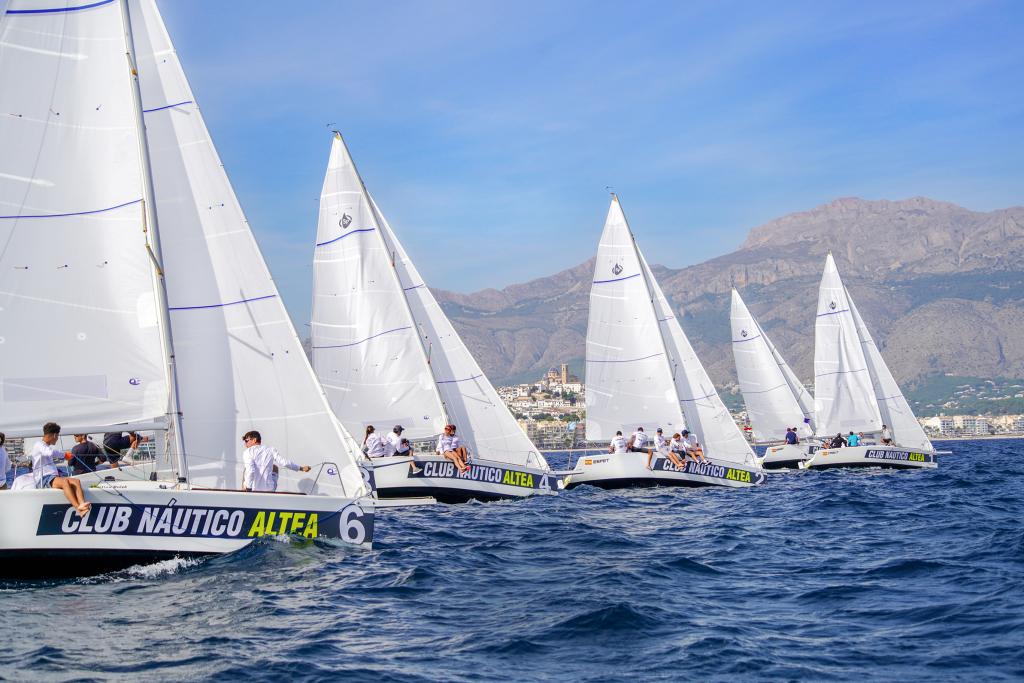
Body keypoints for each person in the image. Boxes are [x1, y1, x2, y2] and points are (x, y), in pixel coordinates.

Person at [32, 423, 90, 515]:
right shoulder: (39, 444)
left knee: (76, 481)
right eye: (58, 436)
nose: (57, 438)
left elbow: (50, 453)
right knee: (65, 482)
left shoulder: (45, 446)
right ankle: (78, 508)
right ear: (54, 435)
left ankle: (82, 505)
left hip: (51, 477)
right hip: (43, 479)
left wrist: (65, 456)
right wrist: (64, 455)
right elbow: (49, 453)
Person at [241, 430, 310, 492]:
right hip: (269, 489)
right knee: (275, 468)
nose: (245, 444)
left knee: (246, 470)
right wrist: (301, 468)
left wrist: (249, 489)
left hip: (253, 489)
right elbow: (284, 463)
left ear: (254, 440)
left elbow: (251, 470)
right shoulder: (271, 449)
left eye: (246, 441)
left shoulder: (247, 452)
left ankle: (245, 491)